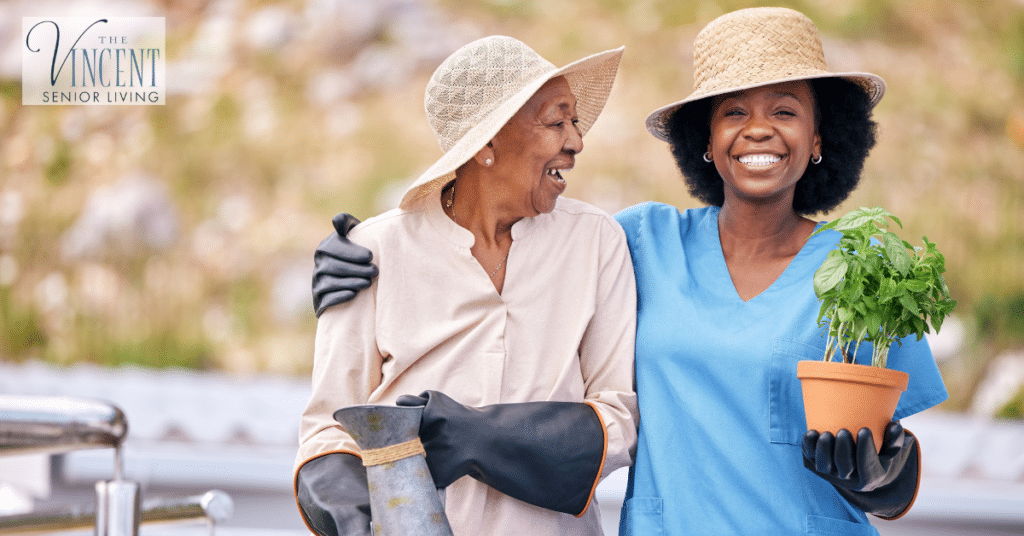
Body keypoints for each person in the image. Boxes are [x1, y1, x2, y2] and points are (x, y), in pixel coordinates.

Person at [313, 8, 948, 535]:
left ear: (820, 137)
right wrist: (363, 257)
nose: (759, 130)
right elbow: (515, 226)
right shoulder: (641, 240)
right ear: (705, 137)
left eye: (785, 111)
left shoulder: (864, 271)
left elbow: (897, 478)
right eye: (733, 112)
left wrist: (884, 473)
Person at [295, 35, 638, 536]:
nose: (576, 141)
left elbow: (617, 415)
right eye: (556, 122)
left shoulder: (596, 242)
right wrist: (350, 513)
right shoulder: (372, 251)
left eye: (575, 120)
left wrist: (478, 436)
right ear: (487, 144)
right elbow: (328, 428)